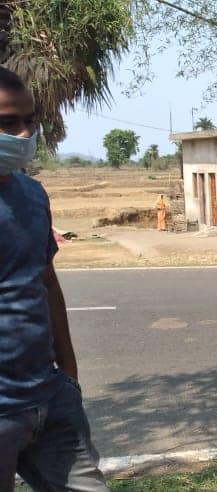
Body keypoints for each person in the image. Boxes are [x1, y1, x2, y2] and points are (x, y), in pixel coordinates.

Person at [0, 68, 108, 491]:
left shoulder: (32, 195)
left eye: (30, 120)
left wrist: (69, 371)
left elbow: (45, 282)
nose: (25, 133)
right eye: (8, 123)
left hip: (49, 396)